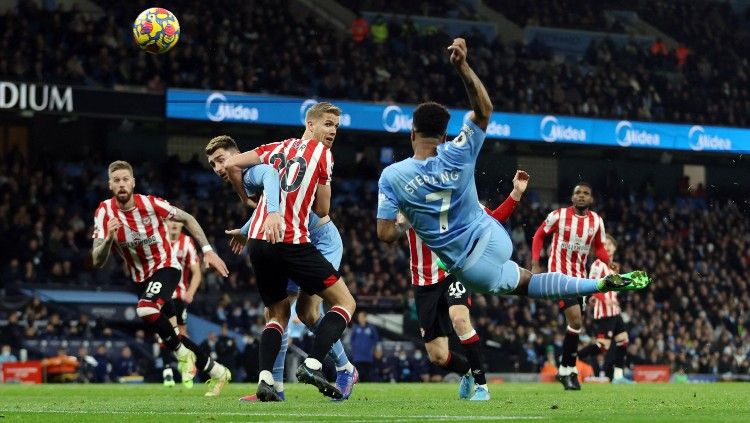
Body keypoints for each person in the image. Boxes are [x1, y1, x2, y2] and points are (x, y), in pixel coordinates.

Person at [376, 38, 650, 385]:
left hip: (468, 267)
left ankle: (480, 382)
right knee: (531, 281)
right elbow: (484, 109)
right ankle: (596, 283)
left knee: (524, 289)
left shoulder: (393, 176)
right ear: (445, 134)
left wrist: (405, 221)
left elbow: (385, 235)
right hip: (494, 239)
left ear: (412, 132)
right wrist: (462, 67)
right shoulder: (459, 151)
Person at [207, 107, 358, 401]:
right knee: (280, 313)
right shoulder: (290, 157)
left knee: (306, 312)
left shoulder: (272, 156)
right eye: (329, 125)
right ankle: (277, 386)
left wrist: (249, 216)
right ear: (310, 124)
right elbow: (307, 206)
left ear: (234, 155)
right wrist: (248, 224)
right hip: (288, 240)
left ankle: (344, 368)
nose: (218, 168)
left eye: (220, 161)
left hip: (319, 240)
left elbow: (285, 205)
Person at [91, 160, 232, 396]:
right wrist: (108, 240)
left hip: (166, 266)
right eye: (116, 180)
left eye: (126, 179)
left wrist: (207, 250)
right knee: (172, 335)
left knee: (145, 309)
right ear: (110, 185)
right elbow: (96, 259)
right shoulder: (104, 212)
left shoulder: (150, 203)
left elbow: (188, 218)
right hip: (140, 279)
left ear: (133, 182)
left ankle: (184, 355)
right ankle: (217, 371)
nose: (122, 184)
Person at [408, 170, 528, 401]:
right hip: (424, 282)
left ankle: (483, 387)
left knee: (461, 320)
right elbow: (390, 229)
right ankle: (467, 372)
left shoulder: (464, 202)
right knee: (438, 357)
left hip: (455, 272)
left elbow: (494, 220)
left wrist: (516, 193)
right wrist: (400, 222)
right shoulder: (411, 199)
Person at [531, 182, 613, 390]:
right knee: (575, 319)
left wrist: (609, 264)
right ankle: (568, 369)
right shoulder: (558, 215)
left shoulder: (596, 221)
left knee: (575, 326)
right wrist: (535, 263)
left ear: (591, 199)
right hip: (559, 275)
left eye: (586, 193)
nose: (582, 196)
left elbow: (600, 248)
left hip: (580, 278)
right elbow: (539, 234)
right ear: (572, 197)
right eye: (578, 193)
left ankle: (567, 369)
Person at [577, 235, 633, 384]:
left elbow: (615, 289)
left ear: (615, 247)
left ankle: (619, 377)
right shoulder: (597, 265)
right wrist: (603, 300)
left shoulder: (612, 267)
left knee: (623, 341)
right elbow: (593, 286)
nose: (607, 246)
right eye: (604, 244)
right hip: (604, 311)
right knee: (602, 346)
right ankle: (573, 356)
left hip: (614, 311)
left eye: (610, 244)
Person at [161, 219, 202, 388]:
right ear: (165, 223)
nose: (174, 224)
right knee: (162, 331)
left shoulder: (187, 242)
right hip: (162, 295)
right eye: (171, 221)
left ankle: (185, 366)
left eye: (178, 222)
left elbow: (196, 272)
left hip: (179, 296)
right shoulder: (159, 240)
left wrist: (190, 292)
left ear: (182, 225)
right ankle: (167, 371)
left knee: (181, 334)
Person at [350, 311, 379, 381]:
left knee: (367, 374)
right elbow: (352, 340)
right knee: (358, 373)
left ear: (366, 318)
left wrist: (374, 350)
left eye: (362, 317)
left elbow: (376, 340)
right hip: (357, 356)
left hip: (368, 356)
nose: (360, 319)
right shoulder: (355, 328)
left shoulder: (371, 328)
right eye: (359, 317)